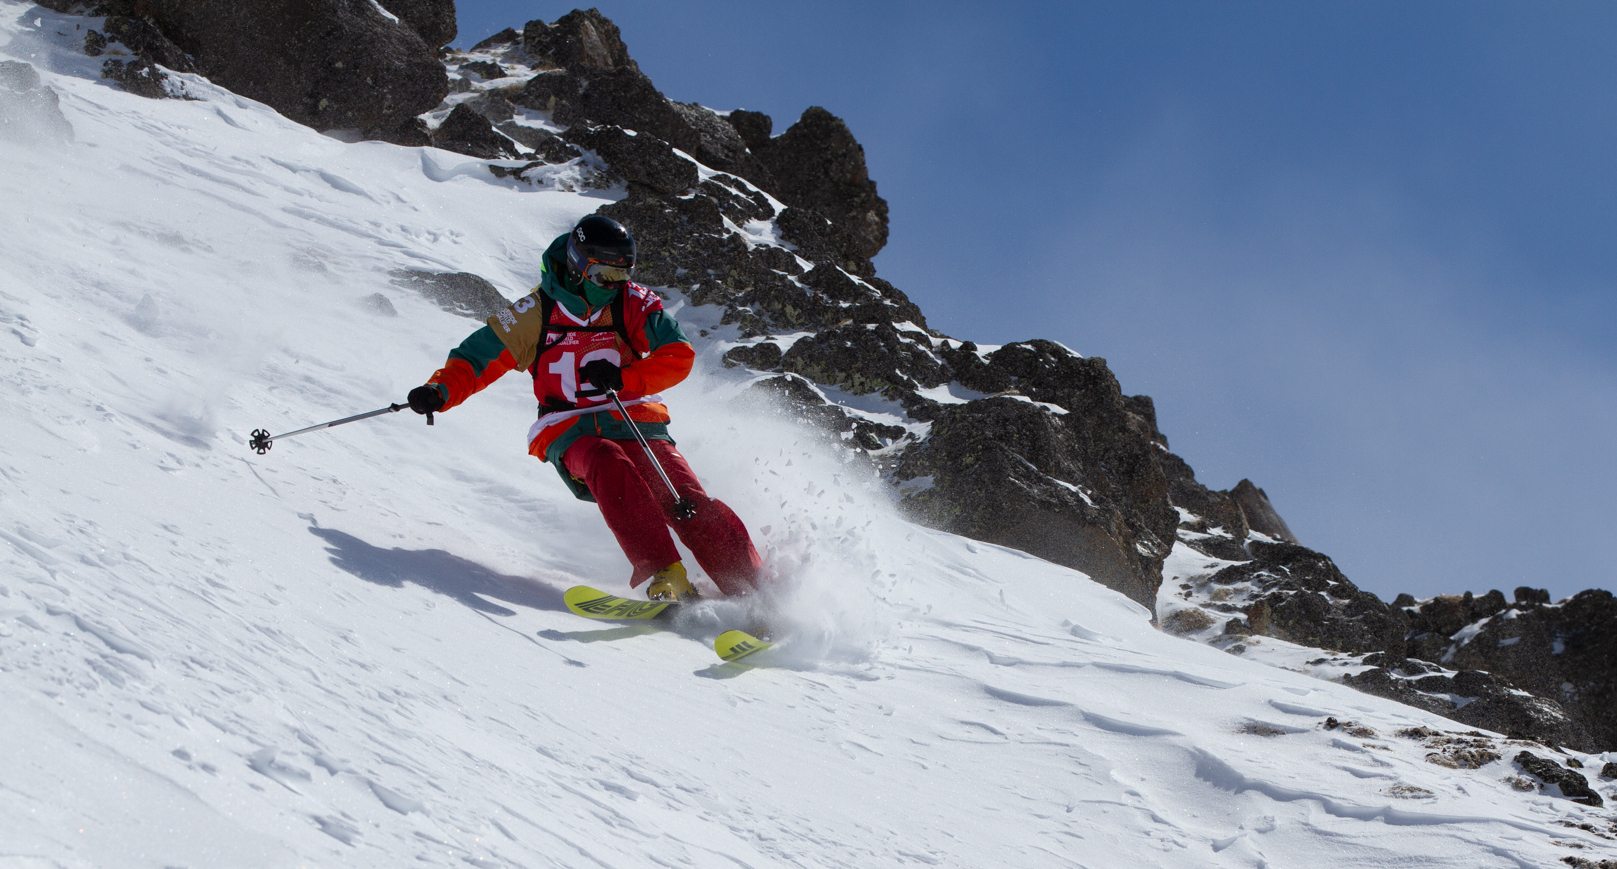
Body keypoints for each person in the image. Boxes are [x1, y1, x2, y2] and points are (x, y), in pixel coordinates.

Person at [406, 216, 762, 601]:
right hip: (568, 424)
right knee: (607, 462)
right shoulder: (535, 312)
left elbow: (678, 355)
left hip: (633, 416)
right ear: (578, 267)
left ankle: (756, 592)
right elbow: (478, 358)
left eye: (623, 274)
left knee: (683, 499)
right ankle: (667, 573)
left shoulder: (632, 302)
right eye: (604, 275)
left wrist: (624, 377)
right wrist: (439, 391)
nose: (614, 285)